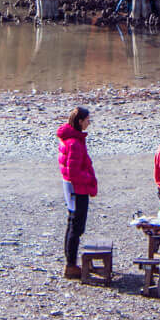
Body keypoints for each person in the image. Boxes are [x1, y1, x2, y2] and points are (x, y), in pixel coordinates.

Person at [57, 106, 98, 279]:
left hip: (73, 189)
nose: (89, 122)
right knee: (76, 226)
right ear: (80, 121)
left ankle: (70, 263)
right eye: (87, 119)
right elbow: (73, 172)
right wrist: (88, 177)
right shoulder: (74, 142)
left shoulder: (72, 139)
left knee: (72, 224)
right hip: (77, 189)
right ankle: (71, 265)